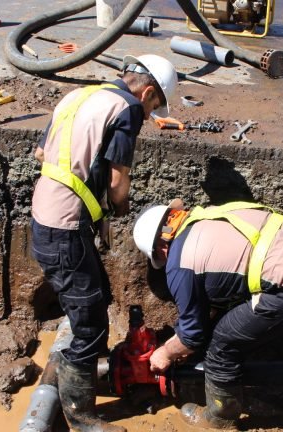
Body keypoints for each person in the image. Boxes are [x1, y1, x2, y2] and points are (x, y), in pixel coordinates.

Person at [30, 54, 177, 432]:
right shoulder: (127, 109)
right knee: (90, 326)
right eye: (153, 108)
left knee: (96, 299)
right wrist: (119, 206)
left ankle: (80, 372)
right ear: (147, 92)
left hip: (47, 218)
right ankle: (80, 418)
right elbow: (116, 180)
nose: (147, 116)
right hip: (65, 230)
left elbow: (42, 152)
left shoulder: (79, 96)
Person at [132, 200, 283, 429]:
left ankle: (220, 418)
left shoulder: (179, 265)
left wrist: (165, 353)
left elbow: (192, 335)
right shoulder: (206, 215)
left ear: (160, 248)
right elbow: (222, 284)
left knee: (222, 343)